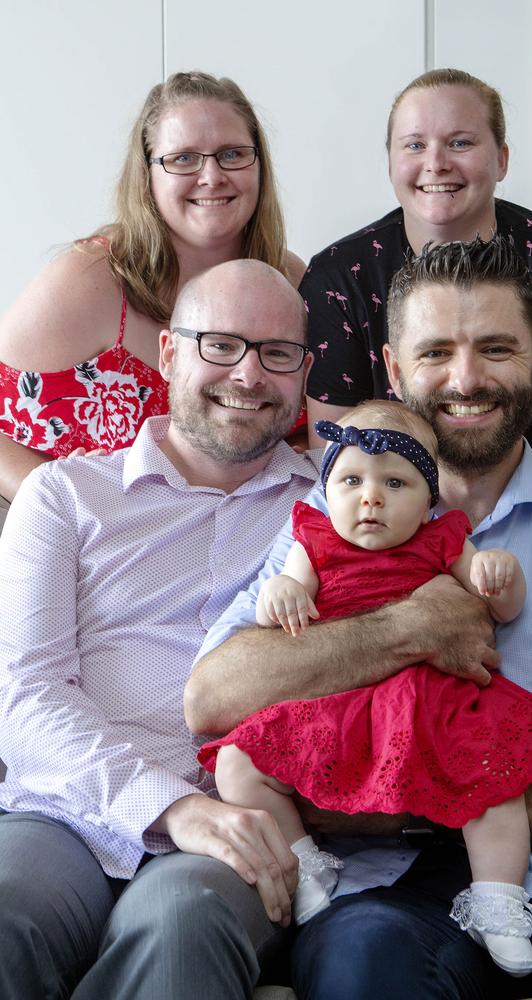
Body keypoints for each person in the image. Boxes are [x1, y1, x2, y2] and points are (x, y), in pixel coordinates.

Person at [186, 237, 532, 1000]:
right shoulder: (325, 522)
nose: (465, 379)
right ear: (397, 371)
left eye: (496, 348)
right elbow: (213, 698)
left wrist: (394, 785)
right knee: (362, 971)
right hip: (388, 890)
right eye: (436, 352)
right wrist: (407, 628)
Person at [0, 260, 319, 1000]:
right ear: (169, 354)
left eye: (276, 354)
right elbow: (24, 696)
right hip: (65, 814)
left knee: (182, 925)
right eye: (221, 345)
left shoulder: (337, 510)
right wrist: (174, 808)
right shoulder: (66, 495)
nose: (248, 374)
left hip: (240, 828)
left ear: (303, 375)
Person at [198, 400, 532, 976]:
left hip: (430, 699)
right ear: (327, 491)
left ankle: (499, 899)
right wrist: (280, 593)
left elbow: (502, 608)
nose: (370, 497)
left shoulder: (443, 541)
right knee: (236, 764)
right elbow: (272, 610)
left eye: (394, 482)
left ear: (430, 501)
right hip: (341, 699)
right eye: (351, 480)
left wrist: (499, 577)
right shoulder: (313, 540)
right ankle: (306, 863)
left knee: (495, 776)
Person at [300, 67, 532, 571]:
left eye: (460, 142)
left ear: (502, 158)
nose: (436, 163)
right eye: (414, 145)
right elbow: (337, 456)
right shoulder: (339, 278)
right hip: (400, 532)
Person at [0, 70, 305, 505]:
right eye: (183, 158)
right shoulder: (92, 278)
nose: (212, 176)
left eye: (233, 154)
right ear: (147, 174)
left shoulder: (291, 281)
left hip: (249, 544)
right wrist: (55, 496)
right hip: (103, 544)